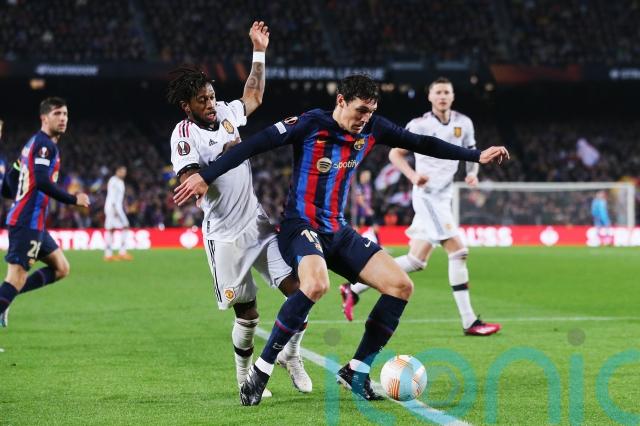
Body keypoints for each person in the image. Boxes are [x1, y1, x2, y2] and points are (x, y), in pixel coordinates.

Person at [174, 74, 509, 405]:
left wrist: (475, 155)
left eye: (370, 111)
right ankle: (260, 372)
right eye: (360, 110)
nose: (365, 118)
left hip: (338, 230)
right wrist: (206, 176)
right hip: (300, 227)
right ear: (341, 101)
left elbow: (422, 143)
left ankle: (356, 370)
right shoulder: (310, 124)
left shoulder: (374, 128)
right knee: (316, 284)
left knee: (401, 285)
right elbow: (254, 144)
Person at [167, 21, 311, 397]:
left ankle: (291, 355)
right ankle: (244, 377)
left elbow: (254, 94)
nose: (210, 105)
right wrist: (229, 154)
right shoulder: (183, 135)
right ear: (187, 106)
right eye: (201, 100)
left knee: (301, 292)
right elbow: (193, 179)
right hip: (224, 237)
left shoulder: (227, 112)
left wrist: (259, 51)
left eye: (211, 96)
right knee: (248, 317)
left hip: (256, 224)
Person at [340, 77, 502, 336]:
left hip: (444, 196)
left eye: (446, 92)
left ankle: (354, 288)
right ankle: (470, 321)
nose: (442, 96)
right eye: (438, 92)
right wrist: (413, 176)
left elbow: (472, 151)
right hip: (428, 196)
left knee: (416, 260)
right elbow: (395, 153)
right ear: (430, 96)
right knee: (459, 252)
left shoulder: (464, 123)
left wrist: (472, 174)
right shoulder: (419, 124)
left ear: (452, 96)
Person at [0, 97, 90, 328]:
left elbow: (8, 185)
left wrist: (21, 192)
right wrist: (74, 199)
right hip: (26, 222)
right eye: (57, 114)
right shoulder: (45, 146)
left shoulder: (32, 144)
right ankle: (5, 296)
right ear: (44, 118)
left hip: (35, 223)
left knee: (61, 268)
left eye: (65, 114)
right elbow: (41, 181)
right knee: (15, 278)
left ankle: (7, 297)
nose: (63, 118)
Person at [103, 165, 133, 261]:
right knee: (116, 228)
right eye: (122, 172)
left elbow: (119, 197)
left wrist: (124, 206)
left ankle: (115, 253)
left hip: (117, 208)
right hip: (113, 208)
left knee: (114, 228)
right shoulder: (114, 181)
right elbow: (112, 196)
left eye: (125, 172)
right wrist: (115, 209)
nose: (124, 174)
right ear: (117, 171)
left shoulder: (120, 182)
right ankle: (112, 254)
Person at [354, 169, 380, 242]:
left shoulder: (368, 186)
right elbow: (359, 200)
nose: (368, 177)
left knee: (375, 227)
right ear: (362, 176)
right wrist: (367, 209)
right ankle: (355, 244)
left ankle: (379, 244)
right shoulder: (359, 187)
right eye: (367, 175)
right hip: (360, 212)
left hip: (367, 212)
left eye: (369, 175)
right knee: (356, 229)